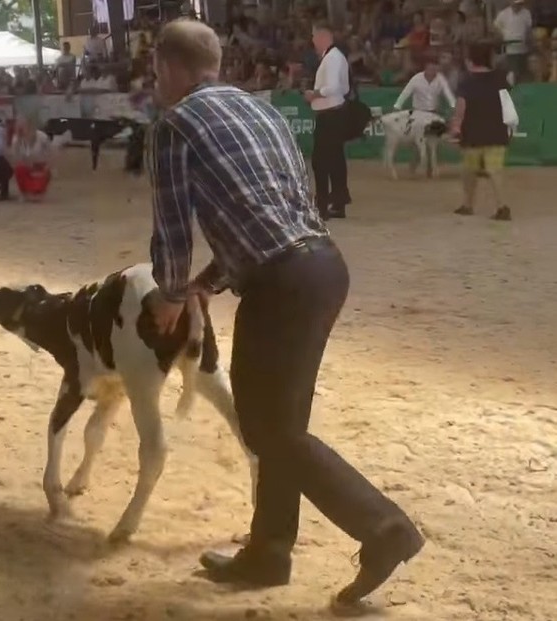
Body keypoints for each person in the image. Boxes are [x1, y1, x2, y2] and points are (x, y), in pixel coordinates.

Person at [145, 19, 424, 610]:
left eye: (155, 71)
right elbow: (278, 206)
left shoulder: (173, 126)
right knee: (281, 425)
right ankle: (269, 551)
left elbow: (171, 226)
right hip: (323, 267)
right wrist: (207, 283)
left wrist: (170, 294)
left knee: (267, 427)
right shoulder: (261, 110)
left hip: (281, 283)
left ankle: (383, 526)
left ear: (169, 68)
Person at [450, 42, 513, 221]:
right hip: (497, 130)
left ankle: (468, 205)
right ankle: (502, 206)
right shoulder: (500, 77)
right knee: (495, 170)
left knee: (469, 170)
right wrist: (511, 125)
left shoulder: (466, 81)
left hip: (472, 132)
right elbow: (507, 103)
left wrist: (456, 127)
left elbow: (461, 106)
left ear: (470, 60)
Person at [304, 22, 351, 220]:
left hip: (330, 115)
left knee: (320, 161)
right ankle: (338, 202)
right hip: (334, 113)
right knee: (335, 160)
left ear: (323, 37)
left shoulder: (332, 58)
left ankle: (322, 205)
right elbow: (345, 88)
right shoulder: (335, 57)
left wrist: (314, 94)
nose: (313, 41)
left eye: (314, 37)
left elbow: (331, 87)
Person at [9, 118, 53, 202]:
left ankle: (40, 192)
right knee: (19, 169)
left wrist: (47, 165)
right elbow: (14, 158)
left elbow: (50, 153)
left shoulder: (42, 136)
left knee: (46, 171)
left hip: (40, 165)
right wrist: (18, 141)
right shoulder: (16, 139)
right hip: (25, 166)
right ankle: (24, 193)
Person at [494, 0, 533, 81]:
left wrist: (530, 43)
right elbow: (495, 28)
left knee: (522, 72)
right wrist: (502, 36)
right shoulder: (503, 14)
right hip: (510, 49)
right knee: (512, 73)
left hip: (523, 48)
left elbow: (529, 30)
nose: (516, 5)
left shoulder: (526, 13)